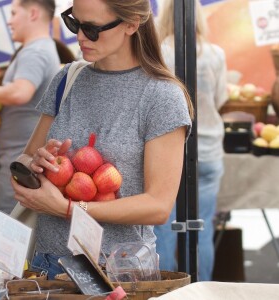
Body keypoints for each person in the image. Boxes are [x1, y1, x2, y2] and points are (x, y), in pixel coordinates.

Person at [10, 0, 193, 280]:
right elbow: (25, 157)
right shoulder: (67, 79)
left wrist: (70, 209)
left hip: (119, 273)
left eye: (92, 29)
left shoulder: (161, 96)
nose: (80, 37)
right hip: (48, 265)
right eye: (75, 23)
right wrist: (34, 164)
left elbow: (158, 206)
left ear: (131, 24)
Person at [154, 0, 227, 281]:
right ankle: (202, 291)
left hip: (168, 150)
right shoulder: (216, 53)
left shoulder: (161, 51)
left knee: (163, 226)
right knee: (202, 228)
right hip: (209, 149)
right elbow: (221, 99)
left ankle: (165, 292)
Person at [0, 0, 60, 214]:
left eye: (14, 13)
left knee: (4, 231)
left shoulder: (35, 52)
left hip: (19, 160)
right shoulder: (39, 49)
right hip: (19, 158)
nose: (9, 21)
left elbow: (20, 92)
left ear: (32, 13)